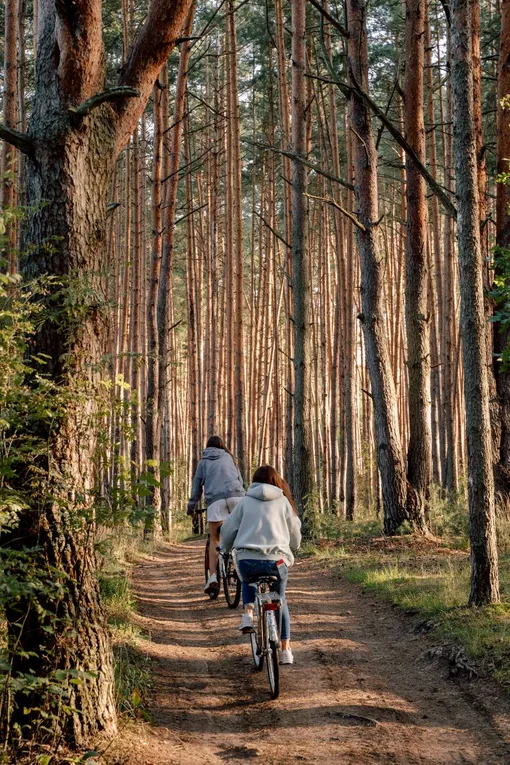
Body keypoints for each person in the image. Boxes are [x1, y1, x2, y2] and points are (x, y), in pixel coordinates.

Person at [219, 465, 301, 665]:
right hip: (278, 561)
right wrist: (294, 546)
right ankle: (286, 650)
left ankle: (247, 614)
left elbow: (229, 529)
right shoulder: (283, 502)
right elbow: (295, 533)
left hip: (248, 560)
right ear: (276, 481)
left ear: (254, 481)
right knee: (280, 599)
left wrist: (225, 548)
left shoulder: (245, 502)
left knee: (247, 575)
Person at [187, 435, 245, 595]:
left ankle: (212, 577)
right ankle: (241, 565)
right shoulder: (229, 457)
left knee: (215, 539)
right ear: (222, 446)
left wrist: (191, 507)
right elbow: (240, 480)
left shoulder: (203, 462)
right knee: (238, 534)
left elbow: (196, 489)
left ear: (207, 447)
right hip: (237, 497)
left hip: (215, 501)